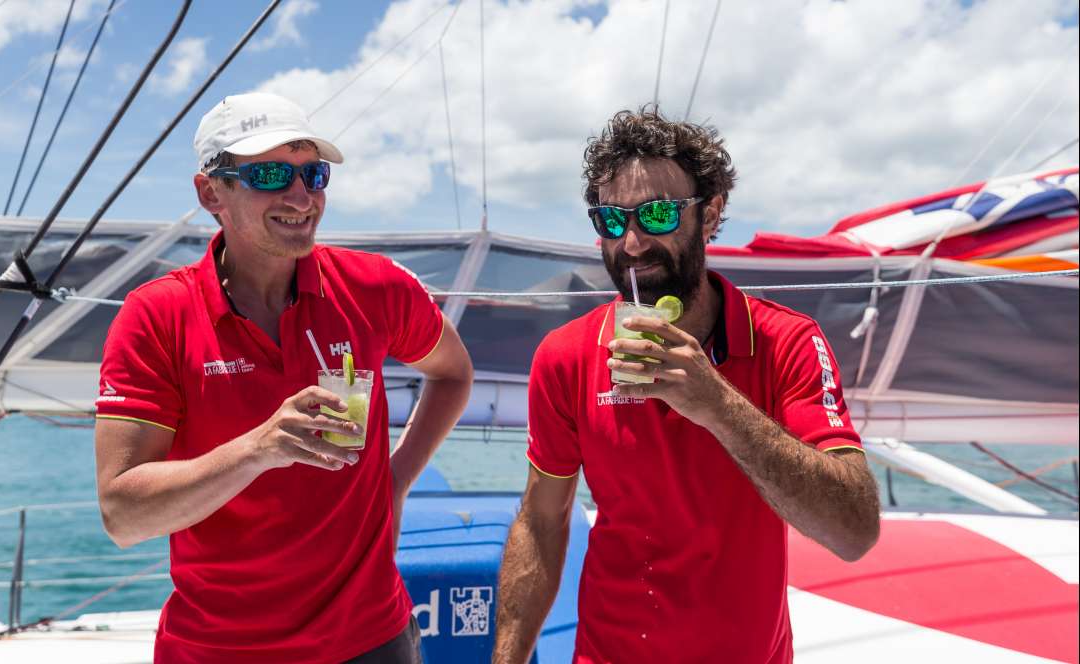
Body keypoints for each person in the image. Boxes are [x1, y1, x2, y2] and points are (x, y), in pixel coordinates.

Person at [94, 92, 473, 663]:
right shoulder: (157, 316)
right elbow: (123, 515)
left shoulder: (374, 288)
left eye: (312, 173)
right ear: (209, 193)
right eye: (271, 174)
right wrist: (259, 448)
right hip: (219, 650)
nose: (301, 196)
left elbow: (452, 372)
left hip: (371, 637)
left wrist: (397, 478)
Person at [492, 107, 880, 663]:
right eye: (610, 220)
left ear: (711, 213)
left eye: (655, 215)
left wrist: (717, 403)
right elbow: (541, 520)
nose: (630, 244)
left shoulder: (785, 342)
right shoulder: (566, 357)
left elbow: (854, 531)